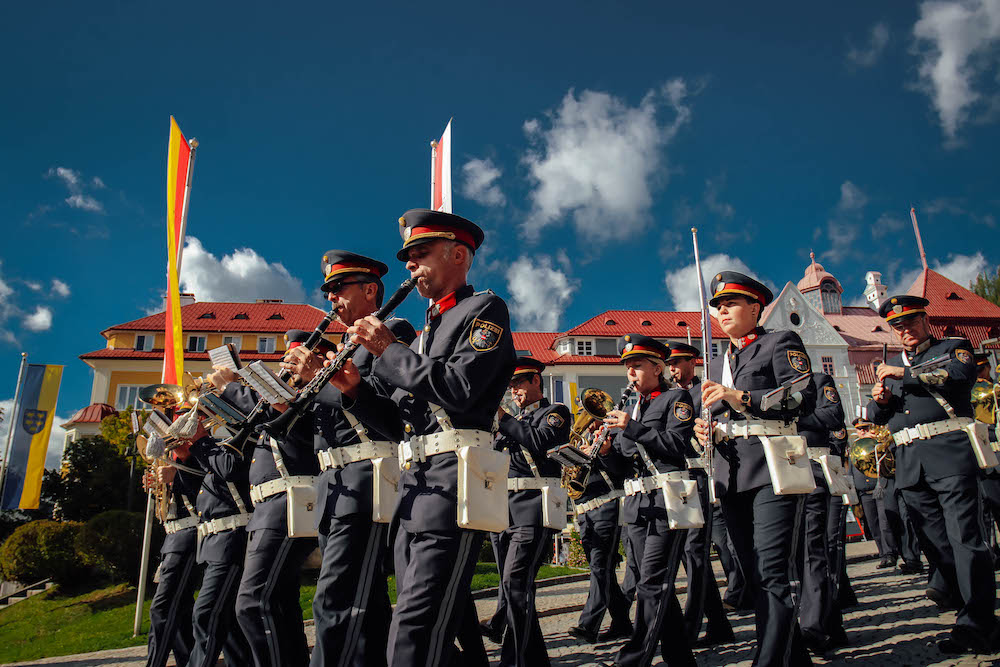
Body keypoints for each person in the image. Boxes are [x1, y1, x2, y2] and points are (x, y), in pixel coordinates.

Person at [329, 209, 516, 667]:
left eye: (420, 255)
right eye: (408, 258)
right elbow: (395, 424)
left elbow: (460, 390)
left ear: (459, 255)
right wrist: (353, 390)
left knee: (414, 631)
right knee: (415, 631)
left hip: (454, 481)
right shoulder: (428, 331)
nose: (410, 267)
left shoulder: (484, 310)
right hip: (415, 485)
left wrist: (386, 350)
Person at [282, 251, 417, 667]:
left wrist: (318, 379)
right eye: (329, 291)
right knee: (367, 602)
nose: (332, 299)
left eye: (339, 288)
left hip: (365, 478)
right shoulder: (343, 344)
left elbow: (389, 412)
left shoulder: (391, 331)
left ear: (370, 289)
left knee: (335, 601)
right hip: (333, 484)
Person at [694, 270, 816, 667]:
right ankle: (792, 658)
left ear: (755, 308)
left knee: (772, 573)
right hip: (731, 475)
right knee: (753, 574)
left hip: (770, 468)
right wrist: (705, 427)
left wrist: (740, 395)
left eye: (731, 303)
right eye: (718, 306)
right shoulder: (719, 363)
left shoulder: (779, 342)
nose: (722, 311)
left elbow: (802, 396)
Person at [868, 294, 997, 654]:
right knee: (935, 546)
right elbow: (874, 417)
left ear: (925, 321)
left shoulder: (952, 347)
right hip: (910, 464)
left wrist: (904, 374)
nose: (905, 329)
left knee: (966, 540)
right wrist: (877, 400)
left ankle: (979, 623)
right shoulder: (889, 364)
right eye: (898, 325)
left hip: (950, 456)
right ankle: (965, 612)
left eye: (910, 321)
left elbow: (958, 375)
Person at [599, 334, 696, 667]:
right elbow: (625, 466)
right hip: (638, 504)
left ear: (657, 368)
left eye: (637, 365)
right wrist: (607, 453)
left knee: (653, 581)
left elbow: (676, 445)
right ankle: (681, 659)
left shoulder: (676, 398)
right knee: (650, 583)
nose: (631, 373)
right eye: (627, 367)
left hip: (668, 498)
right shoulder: (631, 407)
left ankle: (633, 658)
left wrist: (634, 428)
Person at [225, 330, 321, 667]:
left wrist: (232, 386)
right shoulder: (275, 404)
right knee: (279, 601)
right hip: (266, 506)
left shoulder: (310, 395)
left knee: (253, 603)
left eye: (293, 362)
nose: (287, 369)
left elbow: (293, 424)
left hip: (289, 500)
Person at [491, 357, 570, 666]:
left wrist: (503, 417)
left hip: (534, 507)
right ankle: (534, 660)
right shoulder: (510, 422)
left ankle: (513, 661)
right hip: (503, 509)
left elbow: (539, 441)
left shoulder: (556, 413)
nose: (515, 390)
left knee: (515, 585)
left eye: (520, 383)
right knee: (514, 590)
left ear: (537, 381)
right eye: (511, 386)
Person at [665, 341, 736, 647]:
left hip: (701, 475)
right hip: (681, 479)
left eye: (678, 362)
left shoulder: (703, 391)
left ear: (692, 362)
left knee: (696, 552)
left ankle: (692, 624)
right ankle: (718, 624)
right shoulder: (668, 398)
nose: (673, 368)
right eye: (669, 363)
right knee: (691, 555)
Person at [184, 378, 253, 667]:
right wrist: (184, 456)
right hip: (213, 541)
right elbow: (203, 493)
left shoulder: (239, 430)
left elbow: (230, 469)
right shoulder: (213, 441)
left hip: (233, 536)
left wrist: (201, 440)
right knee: (230, 628)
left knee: (206, 614)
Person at [566, 409, 633, 645]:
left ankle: (589, 625)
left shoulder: (613, 436)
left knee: (599, 565)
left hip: (608, 504)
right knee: (604, 571)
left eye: (593, 418)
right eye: (586, 418)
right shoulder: (580, 440)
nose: (589, 425)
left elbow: (622, 469)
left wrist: (602, 452)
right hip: (584, 509)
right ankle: (622, 623)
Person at [795, 372, 847, 653]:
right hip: (776, 473)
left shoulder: (817, 380)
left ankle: (813, 626)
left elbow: (833, 415)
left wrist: (792, 419)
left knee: (813, 549)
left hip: (812, 469)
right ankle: (831, 624)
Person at [145, 430, 203, 667]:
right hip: (173, 535)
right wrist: (156, 487)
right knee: (180, 614)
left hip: (190, 531)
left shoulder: (199, 453)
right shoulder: (169, 457)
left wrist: (176, 476)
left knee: (163, 608)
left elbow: (209, 484)